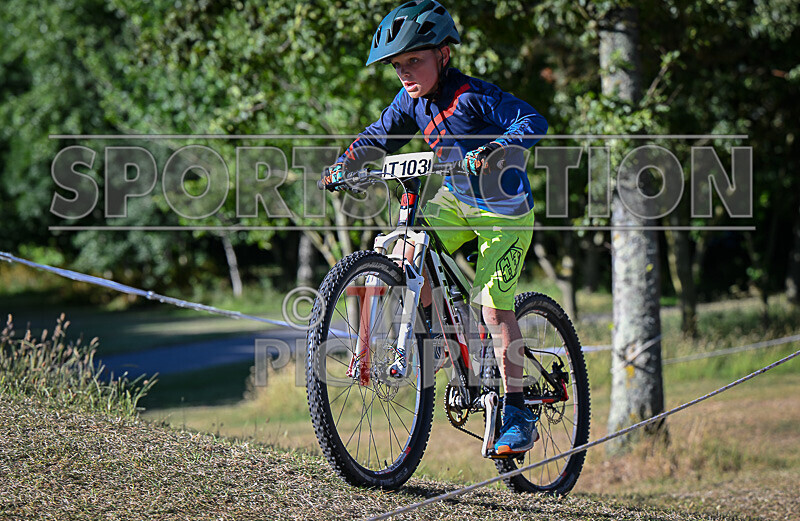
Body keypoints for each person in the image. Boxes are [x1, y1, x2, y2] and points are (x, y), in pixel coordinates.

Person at [322, 0, 547, 457]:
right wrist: (345, 164)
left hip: (504, 212)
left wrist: (501, 145)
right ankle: (446, 339)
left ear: (443, 54)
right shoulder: (411, 101)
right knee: (407, 249)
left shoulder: (472, 95)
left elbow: (533, 120)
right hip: (457, 201)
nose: (405, 72)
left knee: (493, 311)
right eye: (397, 65)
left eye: (414, 60)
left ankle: (520, 411)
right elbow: (377, 136)